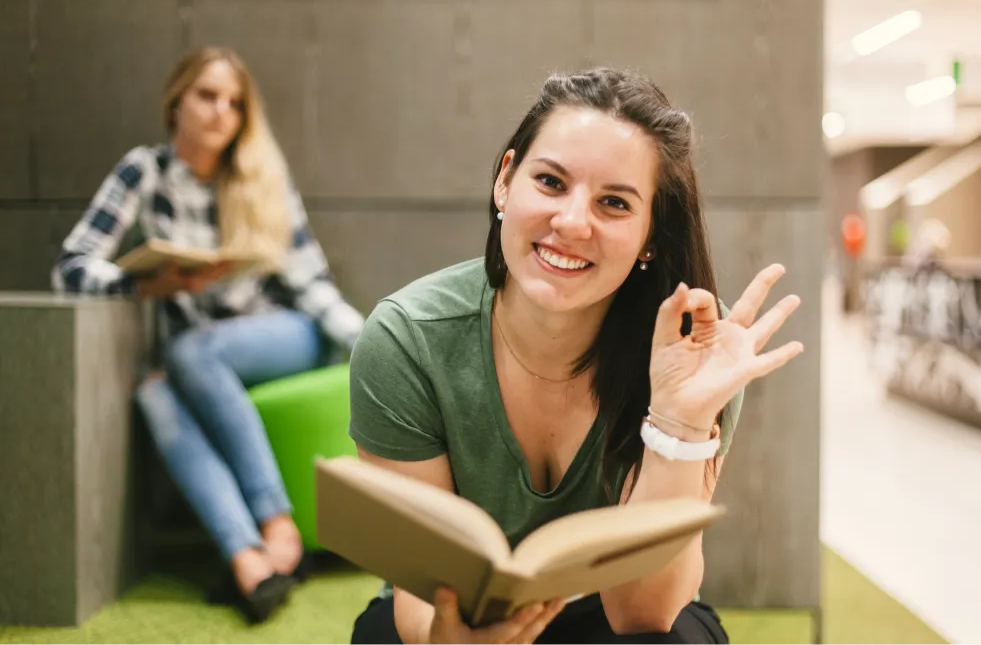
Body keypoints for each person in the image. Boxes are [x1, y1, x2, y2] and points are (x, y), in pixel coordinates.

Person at [346, 68, 804, 645]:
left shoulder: (695, 360)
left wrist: (680, 422)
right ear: (505, 182)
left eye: (614, 203)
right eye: (551, 182)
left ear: (651, 238)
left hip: (610, 616)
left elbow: (645, 615)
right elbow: (417, 591)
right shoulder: (407, 340)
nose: (570, 223)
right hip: (453, 612)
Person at [51, 46, 365, 623]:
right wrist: (141, 285)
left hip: (284, 336)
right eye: (207, 96)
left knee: (190, 352)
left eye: (235, 103)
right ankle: (249, 561)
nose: (222, 112)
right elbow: (71, 265)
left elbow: (311, 281)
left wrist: (367, 344)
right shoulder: (143, 171)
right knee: (154, 391)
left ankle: (277, 525)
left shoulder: (260, 175)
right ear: (176, 102)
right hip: (199, 353)